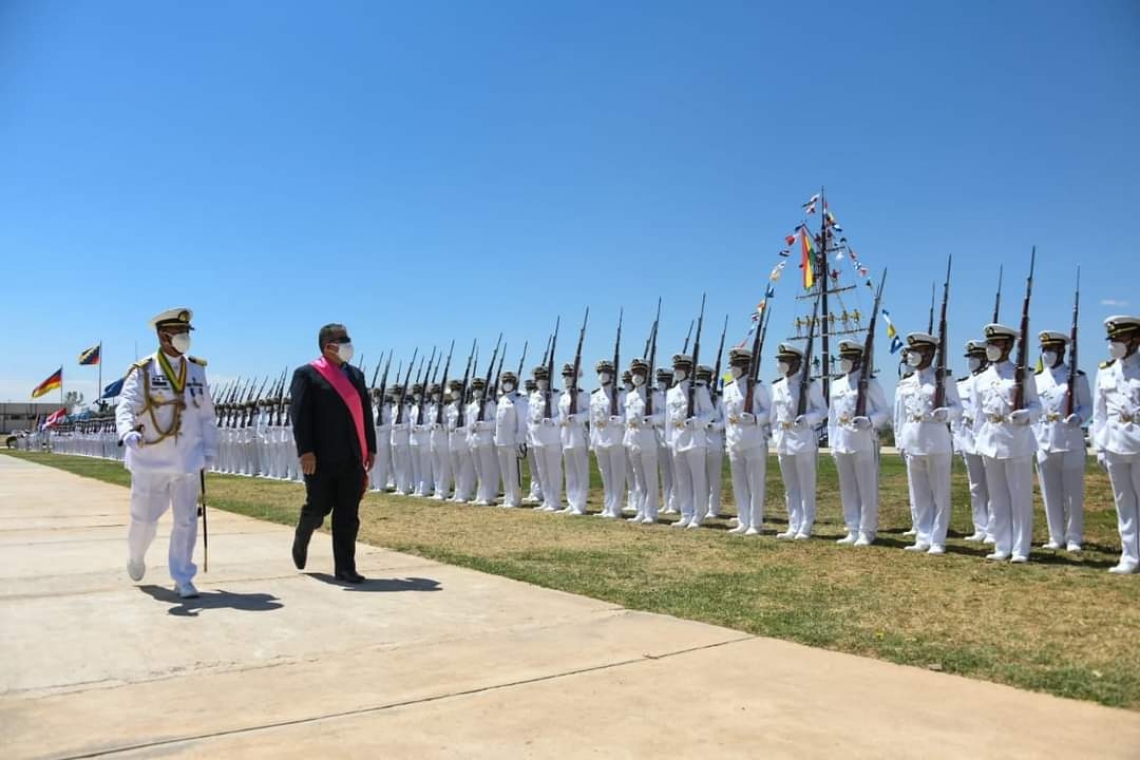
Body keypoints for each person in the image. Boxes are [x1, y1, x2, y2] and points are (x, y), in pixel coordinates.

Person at [117, 307, 219, 599]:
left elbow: (206, 415)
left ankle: (183, 577)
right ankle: (136, 556)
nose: (185, 338)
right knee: (145, 520)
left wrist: (209, 450)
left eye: (187, 333)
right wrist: (127, 432)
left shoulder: (197, 369)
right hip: (150, 458)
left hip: (187, 459)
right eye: (180, 333)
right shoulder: (144, 370)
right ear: (164, 336)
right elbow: (125, 405)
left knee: (186, 520)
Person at [290, 323, 377, 584]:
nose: (349, 343)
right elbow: (300, 416)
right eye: (343, 339)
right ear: (328, 346)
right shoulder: (306, 374)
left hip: (351, 456)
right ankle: (303, 532)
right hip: (320, 458)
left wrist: (370, 447)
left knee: (347, 514)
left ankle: (345, 568)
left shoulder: (356, 375)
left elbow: (365, 414)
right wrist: (306, 451)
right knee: (319, 506)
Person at [971, 323, 1040, 563]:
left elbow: (1037, 406)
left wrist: (1026, 415)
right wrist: (978, 441)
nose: (990, 348)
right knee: (997, 497)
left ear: (1008, 346)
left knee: (1019, 497)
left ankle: (1021, 548)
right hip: (991, 439)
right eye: (989, 343)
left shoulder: (1022, 374)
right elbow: (978, 414)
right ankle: (1002, 544)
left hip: (1017, 440)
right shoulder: (981, 379)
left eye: (996, 344)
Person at [895, 332, 961, 555]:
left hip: (937, 440)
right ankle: (922, 536)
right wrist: (900, 441)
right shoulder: (906, 382)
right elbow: (900, 416)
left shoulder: (944, 379)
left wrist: (947, 413)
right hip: (913, 440)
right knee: (919, 493)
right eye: (911, 351)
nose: (912, 355)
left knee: (940, 494)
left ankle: (938, 539)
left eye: (917, 351)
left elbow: (958, 408)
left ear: (930, 353)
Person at [1033, 330, 1091, 552]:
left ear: (1061, 351)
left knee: (1072, 493)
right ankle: (1055, 535)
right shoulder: (1037, 379)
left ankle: (1074, 536)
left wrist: (1079, 416)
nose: (1047, 354)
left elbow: (1087, 405)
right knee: (1050, 493)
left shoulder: (1076, 376)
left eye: (1051, 350)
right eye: (1044, 350)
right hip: (1045, 440)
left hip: (1069, 440)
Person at [828, 340, 889, 546]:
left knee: (866, 488)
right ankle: (852, 527)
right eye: (842, 357)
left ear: (856, 360)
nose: (843, 361)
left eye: (847, 358)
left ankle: (867, 530)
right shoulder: (836, 384)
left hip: (863, 441)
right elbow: (832, 417)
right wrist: (832, 443)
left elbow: (884, 412)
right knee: (847, 488)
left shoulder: (870, 383)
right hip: (842, 441)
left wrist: (870, 421)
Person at [1091, 315, 1140, 574]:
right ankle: (1130, 555)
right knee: (1124, 503)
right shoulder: (1105, 370)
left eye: (1120, 338)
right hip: (1114, 442)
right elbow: (1099, 414)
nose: (1114, 343)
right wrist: (1100, 446)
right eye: (1112, 339)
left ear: (1135, 340)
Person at [770, 343, 826, 540]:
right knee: (790, 486)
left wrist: (808, 419)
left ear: (795, 363)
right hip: (784, 441)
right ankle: (793, 524)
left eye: (784, 360)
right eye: (780, 360)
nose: (781, 364)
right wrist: (776, 437)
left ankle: (806, 525)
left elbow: (822, 411)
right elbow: (773, 417)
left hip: (803, 440)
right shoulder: (777, 386)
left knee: (806, 485)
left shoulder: (810, 385)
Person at [721, 347, 770, 536]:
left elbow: (769, 412)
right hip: (734, 442)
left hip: (753, 441)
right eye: (732, 365)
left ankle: (755, 523)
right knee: (739, 483)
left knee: (755, 484)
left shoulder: (757, 388)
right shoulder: (728, 388)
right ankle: (743, 520)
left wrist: (756, 419)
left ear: (745, 366)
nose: (733, 369)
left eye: (736, 365)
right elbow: (727, 417)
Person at [665, 353, 716, 529]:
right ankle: (686, 513)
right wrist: (669, 439)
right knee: (682, 480)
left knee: (697, 479)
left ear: (688, 370)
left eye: (681, 369)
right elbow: (668, 419)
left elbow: (711, 413)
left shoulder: (699, 389)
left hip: (695, 439)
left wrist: (698, 422)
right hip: (678, 439)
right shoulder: (671, 392)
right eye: (676, 369)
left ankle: (698, 515)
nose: (678, 372)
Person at [954, 340, 992, 543]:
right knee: (976, 486)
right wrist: (958, 442)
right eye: (969, 357)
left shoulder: (988, 380)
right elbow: (958, 418)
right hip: (968, 438)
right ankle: (980, 527)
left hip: (987, 436)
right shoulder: (961, 383)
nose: (971, 361)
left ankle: (994, 528)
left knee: (994, 486)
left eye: (975, 357)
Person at [624, 358, 662, 524]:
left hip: (647, 437)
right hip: (633, 437)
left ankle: (651, 512)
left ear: (646, 375)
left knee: (650, 478)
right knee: (638, 477)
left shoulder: (654, 394)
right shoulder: (630, 395)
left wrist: (652, 419)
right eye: (634, 373)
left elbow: (665, 415)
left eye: (640, 373)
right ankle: (641, 510)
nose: (636, 376)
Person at [590, 360, 627, 518]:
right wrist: (592, 440)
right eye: (599, 372)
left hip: (615, 437)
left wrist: (619, 420)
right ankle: (607, 505)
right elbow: (592, 420)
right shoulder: (595, 395)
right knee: (605, 473)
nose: (602, 375)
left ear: (612, 375)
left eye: (605, 372)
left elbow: (628, 414)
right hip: (600, 437)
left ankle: (616, 507)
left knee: (617, 474)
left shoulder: (620, 394)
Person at [528, 365, 564, 512]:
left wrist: (553, 421)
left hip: (552, 437)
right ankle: (547, 500)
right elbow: (529, 418)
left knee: (553, 470)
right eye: (538, 379)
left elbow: (563, 414)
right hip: (537, 436)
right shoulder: (533, 396)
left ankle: (555, 501)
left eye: (543, 378)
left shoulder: (556, 395)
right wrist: (531, 432)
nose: (541, 381)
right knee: (542, 470)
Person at [559, 363, 592, 515]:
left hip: (579, 435)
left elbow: (589, 413)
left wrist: (577, 418)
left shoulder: (583, 396)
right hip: (566, 436)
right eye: (565, 376)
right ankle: (571, 502)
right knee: (570, 472)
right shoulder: (563, 397)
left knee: (581, 472)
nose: (566, 379)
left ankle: (580, 504)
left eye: (569, 376)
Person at [494, 371, 528, 508]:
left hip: (513, 441)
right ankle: (508, 497)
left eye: (510, 382)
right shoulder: (502, 400)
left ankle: (516, 498)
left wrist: (520, 440)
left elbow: (522, 422)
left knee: (514, 472)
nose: (507, 384)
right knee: (505, 471)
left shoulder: (519, 399)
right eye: (505, 382)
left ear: (514, 384)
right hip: (501, 441)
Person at [697, 364, 726, 520]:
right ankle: (701, 506)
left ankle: (713, 508)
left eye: (703, 378)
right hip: (699, 440)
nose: (701, 381)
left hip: (714, 440)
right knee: (701, 478)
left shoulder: (719, 398)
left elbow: (725, 420)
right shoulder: (695, 396)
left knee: (714, 478)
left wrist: (714, 426)